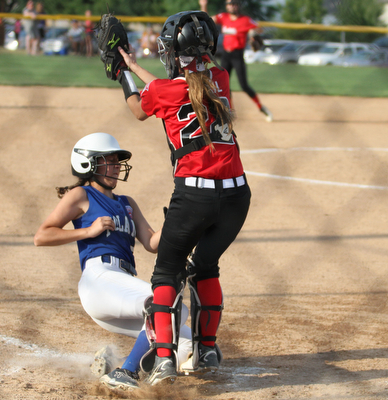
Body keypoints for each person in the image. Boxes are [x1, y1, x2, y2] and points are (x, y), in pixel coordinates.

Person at [115, 11, 251, 385]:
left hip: (195, 196)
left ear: (175, 51)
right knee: (205, 265)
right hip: (237, 197)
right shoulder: (220, 78)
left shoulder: (165, 91)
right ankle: (206, 349)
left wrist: (118, 73)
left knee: (166, 272)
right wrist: (133, 65)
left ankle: (163, 361)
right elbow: (179, 85)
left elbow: (139, 108)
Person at [34, 132, 192, 391]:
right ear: (89, 164)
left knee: (188, 343)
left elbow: (152, 243)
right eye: (109, 161)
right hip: (99, 280)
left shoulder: (127, 203)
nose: (117, 166)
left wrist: (176, 217)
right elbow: (42, 236)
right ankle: (125, 372)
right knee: (168, 306)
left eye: (118, 162)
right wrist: (87, 231)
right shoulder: (81, 195)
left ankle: (111, 360)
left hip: (122, 286)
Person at [200, 0, 273, 122]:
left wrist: (253, 33)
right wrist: (204, 5)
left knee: (244, 85)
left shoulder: (245, 20)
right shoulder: (223, 17)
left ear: (238, 5)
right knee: (223, 84)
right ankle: (229, 112)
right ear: (226, 5)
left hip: (237, 56)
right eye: (229, 3)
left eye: (234, 3)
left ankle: (261, 108)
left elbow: (259, 29)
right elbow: (206, 20)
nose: (232, 5)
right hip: (225, 56)